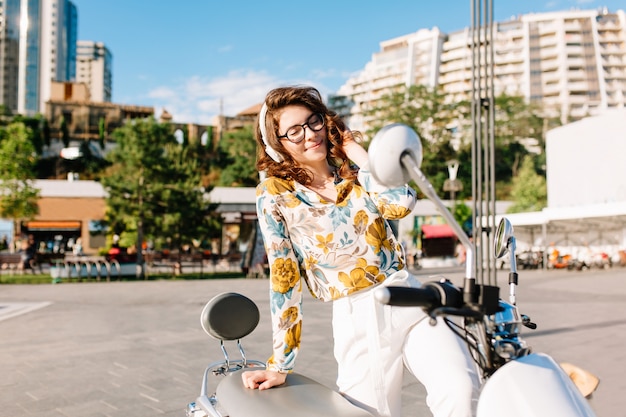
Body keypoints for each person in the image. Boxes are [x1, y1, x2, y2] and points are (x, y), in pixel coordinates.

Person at [241, 86, 479, 417]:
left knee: (461, 388)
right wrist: (281, 363)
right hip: (357, 315)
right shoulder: (275, 195)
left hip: (408, 296)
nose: (310, 134)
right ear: (278, 144)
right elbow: (284, 278)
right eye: (294, 131)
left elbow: (401, 204)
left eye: (314, 122)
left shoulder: (356, 175)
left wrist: (354, 148)